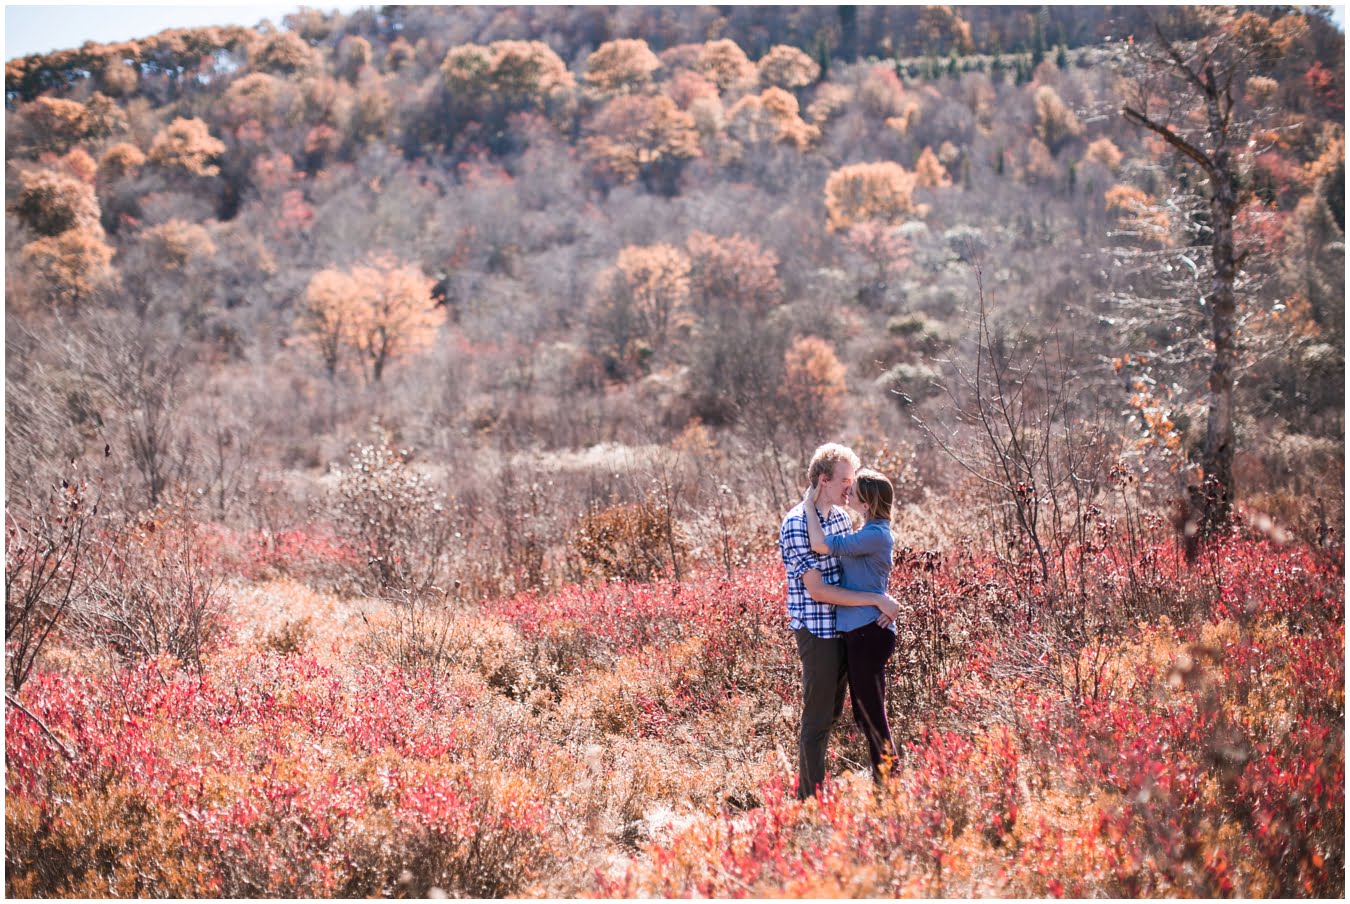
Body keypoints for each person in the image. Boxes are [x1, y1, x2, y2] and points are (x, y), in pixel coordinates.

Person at [779, 443, 899, 800]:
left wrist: (877, 598)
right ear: (823, 480)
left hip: (850, 630)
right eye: (845, 480)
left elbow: (862, 569)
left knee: (854, 714)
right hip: (818, 631)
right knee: (818, 719)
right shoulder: (798, 524)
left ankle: (885, 790)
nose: (851, 487)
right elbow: (818, 591)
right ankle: (810, 800)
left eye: (853, 480)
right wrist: (876, 600)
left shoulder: (842, 519)